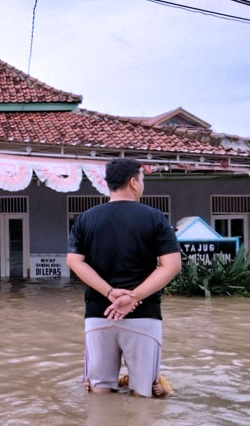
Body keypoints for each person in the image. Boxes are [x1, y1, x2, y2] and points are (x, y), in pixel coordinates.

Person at [67, 159, 181, 398]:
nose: (142, 185)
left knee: (98, 393)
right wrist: (133, 297)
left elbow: (74, 261)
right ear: (133, 182)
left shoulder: (86, 218)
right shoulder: (155, 217)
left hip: (99, 314)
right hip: (144, 316)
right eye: (142, 180)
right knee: (144, 393)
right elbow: (171, 265)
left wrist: (109, 293)